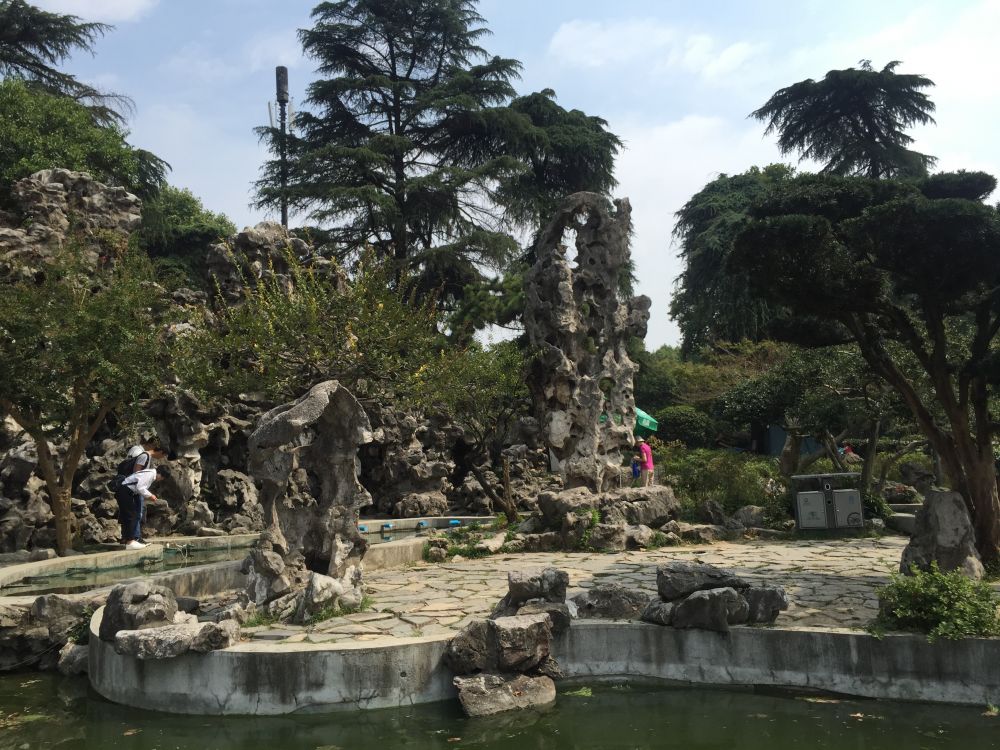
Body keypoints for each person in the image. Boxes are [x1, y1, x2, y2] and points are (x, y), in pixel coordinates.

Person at [112, 442, 161, 550]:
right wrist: (150, 495)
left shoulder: (146, 463)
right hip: (128, 490)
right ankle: (133, 539)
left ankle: (128, 539)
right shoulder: (146, 460)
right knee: (133, 515)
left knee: (129, 514)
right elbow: (139, 484)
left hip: (127, 489)